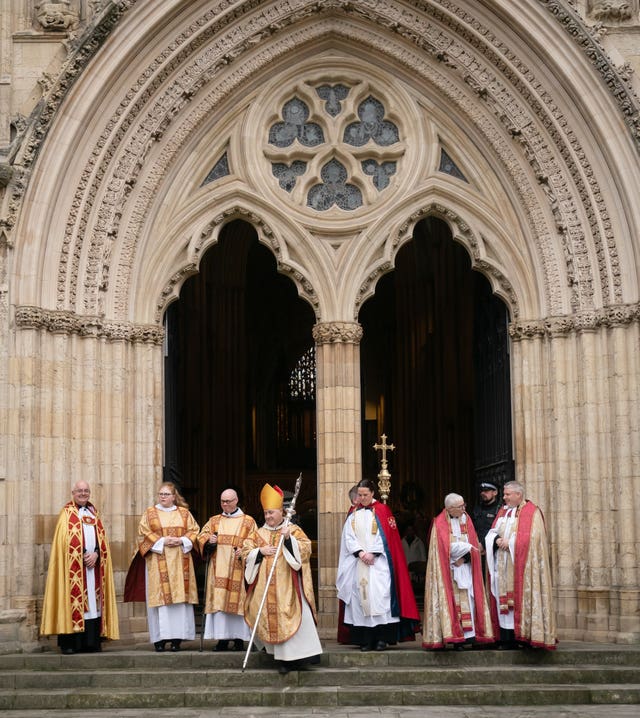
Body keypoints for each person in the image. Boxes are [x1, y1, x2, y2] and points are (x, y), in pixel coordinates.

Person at [242, 483, 322, 674]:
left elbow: (305, 550)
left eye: (272, 513)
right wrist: (259, 551)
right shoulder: (257, 534)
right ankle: (279, 657)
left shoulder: (293, 530)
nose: (269, 517)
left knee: (289, 615)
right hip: (265, 587)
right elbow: (245, 553)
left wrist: (288, 540)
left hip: (289, 587)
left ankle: (293, 659)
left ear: (281, 512)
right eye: (266, 513)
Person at [336, 478, 420, 651]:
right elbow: (348, 537)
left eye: (365, 495)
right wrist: (360, 553)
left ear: (373, 493)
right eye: (359, 495)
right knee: (360, 600)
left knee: (380, 599)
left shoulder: (383, 510)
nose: (362, 498)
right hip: (359, 563)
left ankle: (382, 639)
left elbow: (389, 538)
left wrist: (372, 553)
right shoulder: (354, 512)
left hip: (379, 564)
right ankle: (365, 640)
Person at [40, 481, 119, 654]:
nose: (83, 493)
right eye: (80, 491)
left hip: (93, 568)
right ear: (73, 493)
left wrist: (97, 554)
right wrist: (82, 554)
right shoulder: (66, 514)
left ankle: (91, 643)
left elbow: (102, 539)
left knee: (92, 603)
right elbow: (64, 542)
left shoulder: (94, 513)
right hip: (74, 569)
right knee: (75, 603)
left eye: (86, 491)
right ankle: (70, 644)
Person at [485, 480, 556, 650]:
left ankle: (523, 636)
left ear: (519, 494)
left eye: (508, 494)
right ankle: (506, 638)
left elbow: (534, 538)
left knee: (518, 600)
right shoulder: (503, 511)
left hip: (521, 568)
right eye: (504, 494)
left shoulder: (532, 512)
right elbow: (491, 532)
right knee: (503, 604)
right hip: (502, 565)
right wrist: (496, 540)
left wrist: (510, 543)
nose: (504, 497)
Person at [422, 493, 493, 650]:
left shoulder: (466, 519)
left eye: (464, 505)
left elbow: (472, 542)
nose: (464, 509)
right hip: (449, 570)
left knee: (470, 600)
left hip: (466, 567)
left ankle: (471, 636)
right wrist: (463, 551)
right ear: (450, 508)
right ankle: (456, 638)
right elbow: (442, 547)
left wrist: (466, 557)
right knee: (453, 602)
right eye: (461, 507)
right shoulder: (439, 523)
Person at [136, 481, 200, 652]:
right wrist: (163, 541)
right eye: (160, 494)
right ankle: (159, 639)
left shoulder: (185, 514)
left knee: (178, 603)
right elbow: (142, 534)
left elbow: (194, 531)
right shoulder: (150, 514)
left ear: (174, 496)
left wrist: (181, 540)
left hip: (180, 562)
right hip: (158, 561)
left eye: (166, 494)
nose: (163, 497)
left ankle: (176, 640)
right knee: (161, 602)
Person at [196, 487, 257, 651]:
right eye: (222, 501)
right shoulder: (214, 520)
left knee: (237, 604)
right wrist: (209, 540)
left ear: (236, 501)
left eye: (228, 501)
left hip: (237, 568)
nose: (225, 504)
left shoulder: (248, 521)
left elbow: (255, 541)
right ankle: (222, 639)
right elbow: (201, 536)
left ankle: (239, 639)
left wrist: (244, 549)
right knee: (220, 604)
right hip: (218, 569)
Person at [471, 482, 501, 549]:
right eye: (481, 491)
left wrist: (483, 545)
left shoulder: (500, 510)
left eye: (486, 491)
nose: (482, 493)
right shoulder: (477, 509)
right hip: (476, 547)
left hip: (493, 548)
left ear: (495, 492)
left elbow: (499, 531)